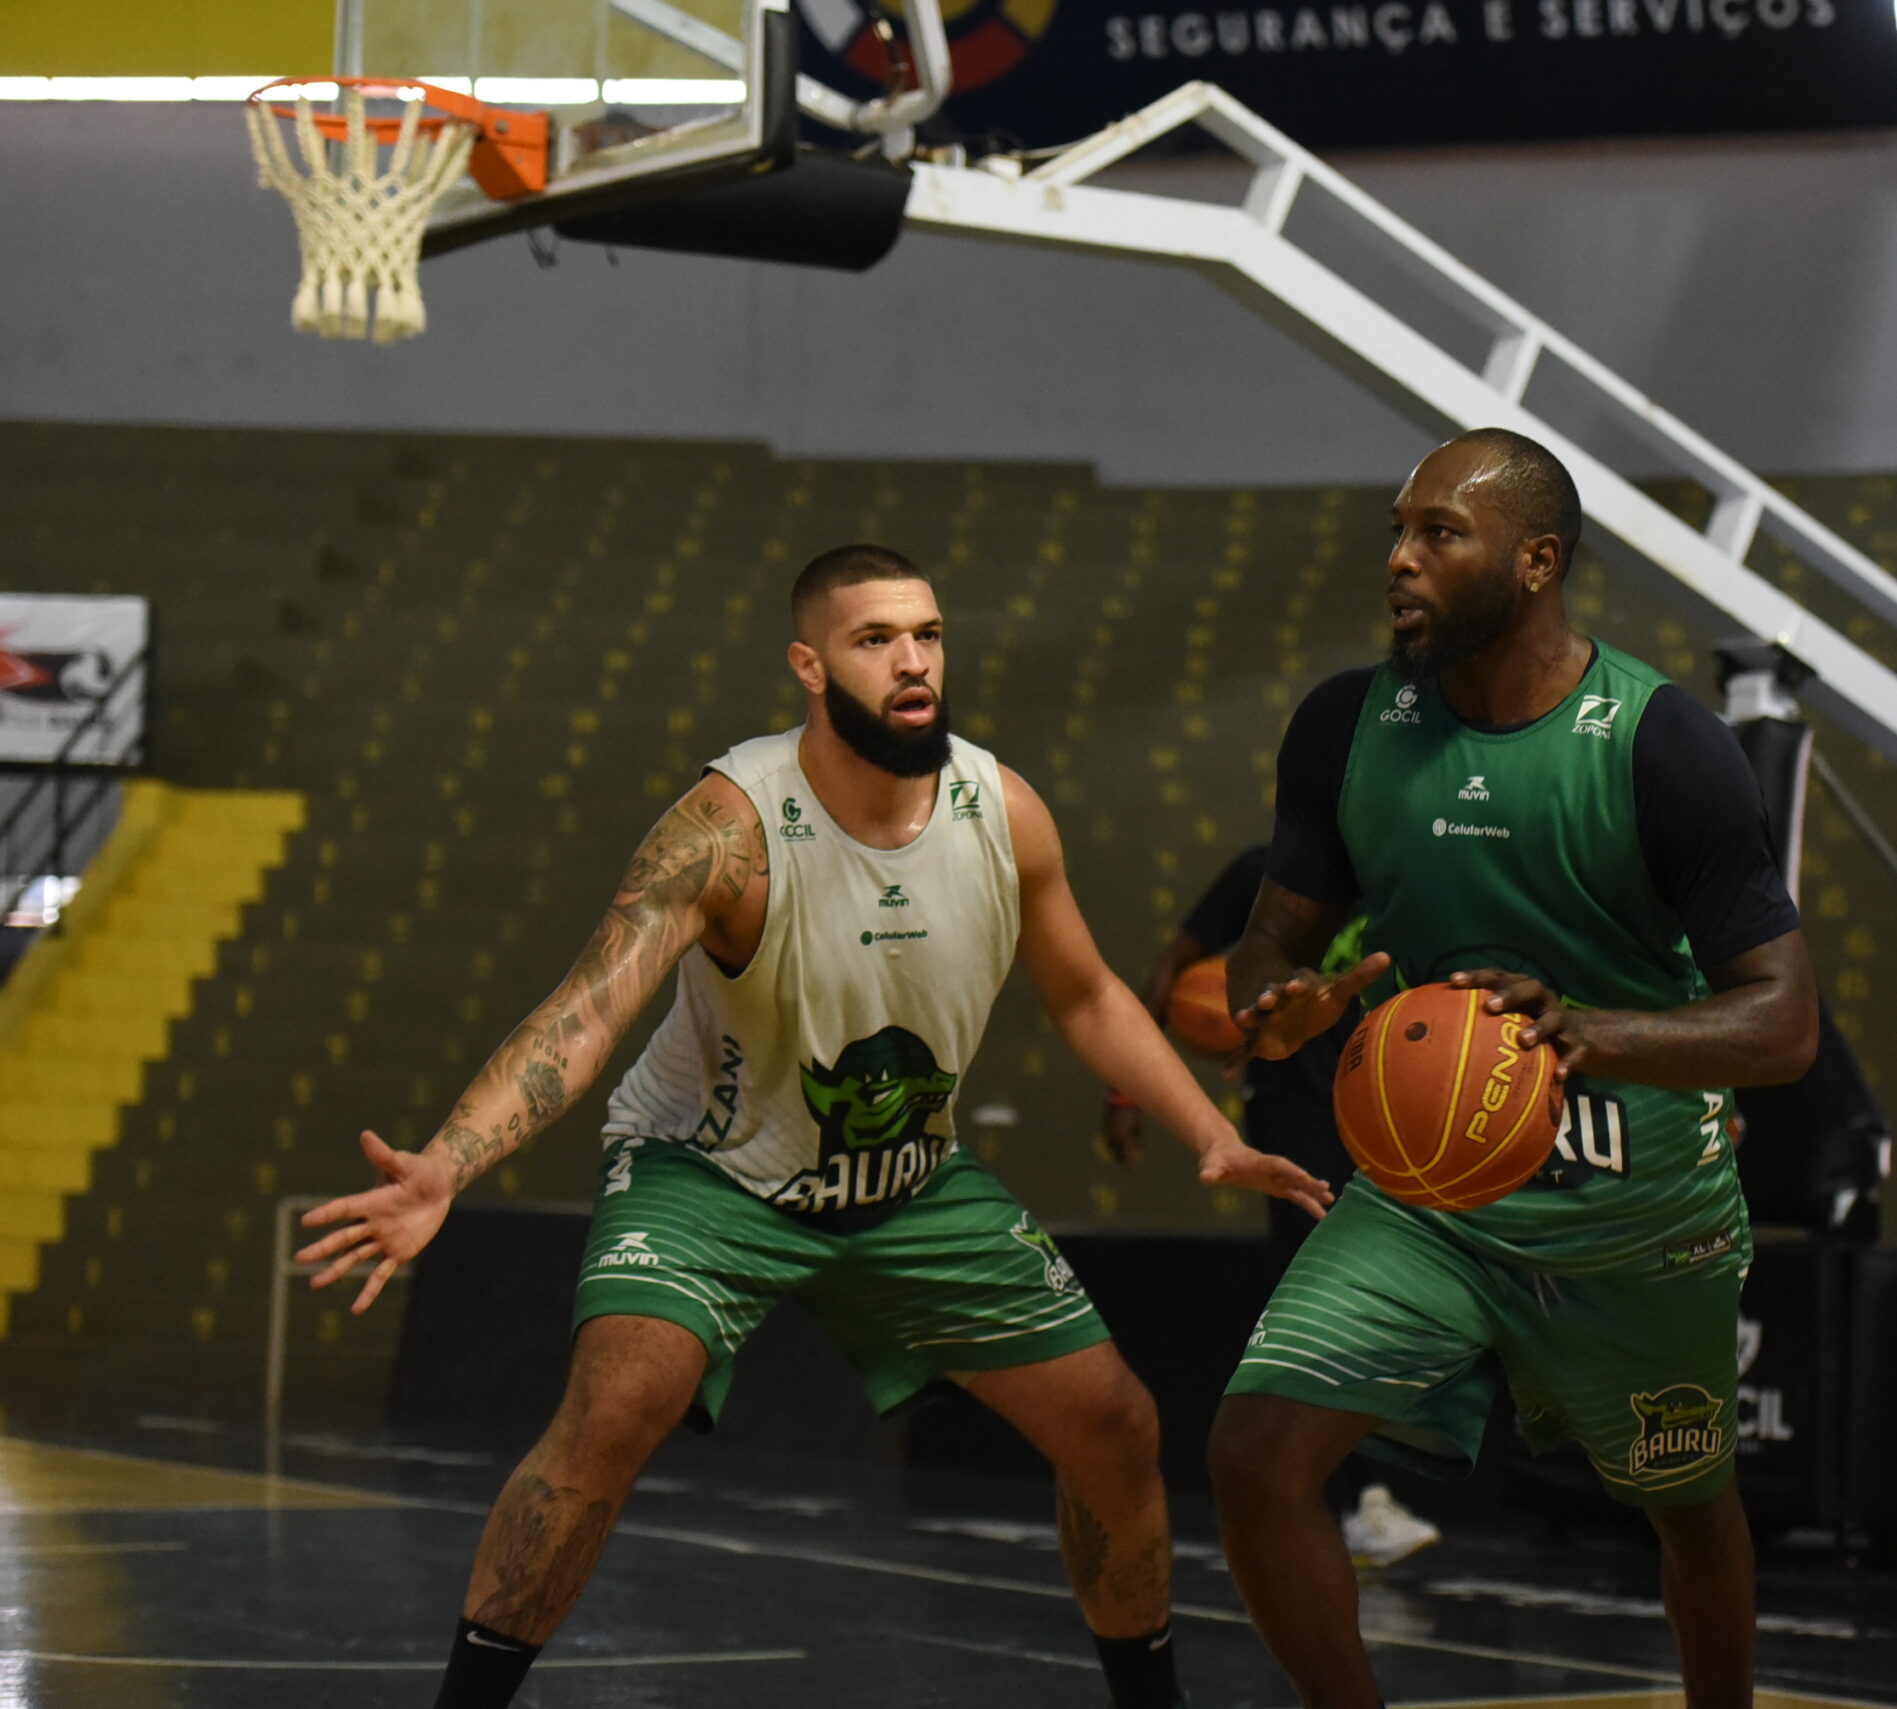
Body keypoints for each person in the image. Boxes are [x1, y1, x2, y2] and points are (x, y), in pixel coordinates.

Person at [295, 545, 1330, 1709]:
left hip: (908, 1177)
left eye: (927, 634)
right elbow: (586, 1008)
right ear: (808, 664)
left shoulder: (1003, 809)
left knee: (1117, 1425)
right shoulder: (728, 829)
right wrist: (447, 1160)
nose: (912, 661)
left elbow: (1086, 991)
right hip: (713, 1169)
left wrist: (1208, 1132)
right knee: (613, 1407)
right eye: (874, 639)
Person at [1207, 430, 1820, 1709]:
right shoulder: (1345, 725)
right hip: (1427, 1190)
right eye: (1398, 528)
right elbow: (1265, 943)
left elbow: (1783, 1025)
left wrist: (1601, 1030)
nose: (1400, 558)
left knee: (1690, 1510)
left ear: (1536, 561)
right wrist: (1276, 999)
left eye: (1441, 532)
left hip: (1633, 1205)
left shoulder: (1663, 744)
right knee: (1255, 1452)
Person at [1105, 847, 1440, 1568]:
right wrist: (1124, 1093)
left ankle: (1328, 1490)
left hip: (1386, 1100)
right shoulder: (1268, 872)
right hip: (1293, 1107)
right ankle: (1349, 1497)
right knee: (1328, 1289)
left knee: (1381, 1295)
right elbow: (1170, 972)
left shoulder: (1410, 863)